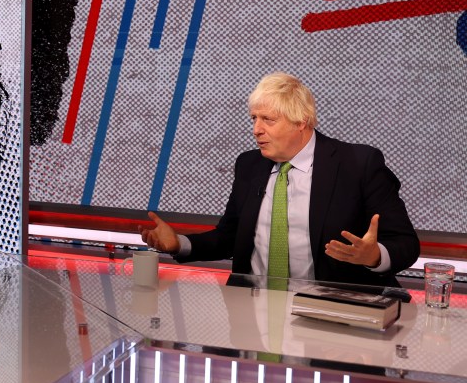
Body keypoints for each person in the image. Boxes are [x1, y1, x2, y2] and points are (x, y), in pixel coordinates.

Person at [141, 72, 419, 287]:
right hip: (251, 312)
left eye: (268, 120)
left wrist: (374, 256)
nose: (256, 129)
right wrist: (179, 244)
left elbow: (405, 244)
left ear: (302, 121)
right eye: (253, 119)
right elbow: (230, 237)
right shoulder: (249, 165)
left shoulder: (358, 164)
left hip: (329, 315)